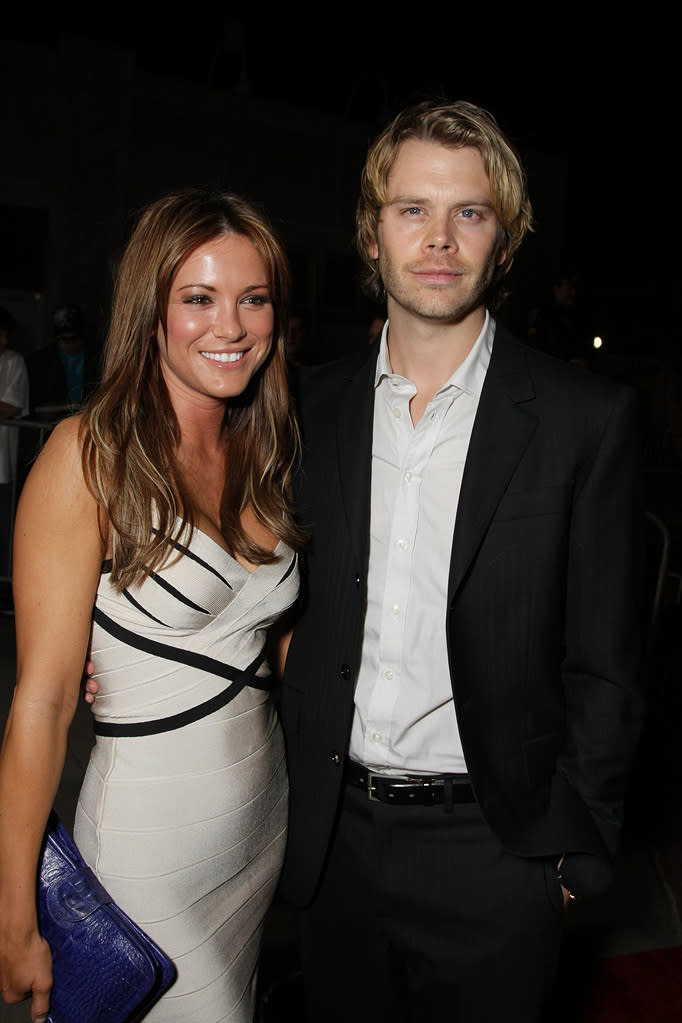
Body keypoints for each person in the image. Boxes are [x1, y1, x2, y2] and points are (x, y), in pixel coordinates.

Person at [277, 100, 644, 1022]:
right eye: (412, 210)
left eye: (469, 213)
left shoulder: (582, 421)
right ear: (371, 234)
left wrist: (574, 850)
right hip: (331, 846)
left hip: (497, 853)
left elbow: (607, 662)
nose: (439, 239)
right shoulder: (305, 410)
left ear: (505, 240)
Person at [0, 189, 304, 1023]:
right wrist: (14, 910)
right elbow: (43, 700)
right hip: (147, 860)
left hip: (259, 830)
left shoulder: (264, 445)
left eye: (253, 298)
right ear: (151, 311)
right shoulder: (86, 455)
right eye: (198, 298)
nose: (230, 326)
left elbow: (270, 641)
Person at [0, 306, 29, 612]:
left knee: (6, 531)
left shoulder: (12, 361)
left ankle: (6, 592)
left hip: (2, 468)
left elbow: (10, 405)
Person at [26, 303, 100, 413]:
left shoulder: (97, 357)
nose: (70, 343)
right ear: (56, 338)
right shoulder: (40, 361)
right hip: (52, 423)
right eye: (64, 339)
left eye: (74, 338)